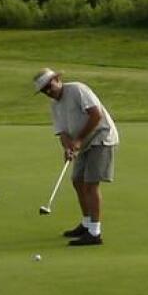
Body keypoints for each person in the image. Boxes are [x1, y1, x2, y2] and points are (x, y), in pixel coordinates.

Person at [32, 68, 119, 246]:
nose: (48, 92)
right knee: (77, 180)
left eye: (50, 86)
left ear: (58, 79)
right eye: (44, 91)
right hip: (84, 144)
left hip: (102, 138)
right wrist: (68, 147)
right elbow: (62, 132)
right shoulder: (55, 105)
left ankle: (95, 233)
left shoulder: (77, 89)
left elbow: (96, 115)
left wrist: (78, 140)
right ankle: (87, 224)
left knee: (90, 183)